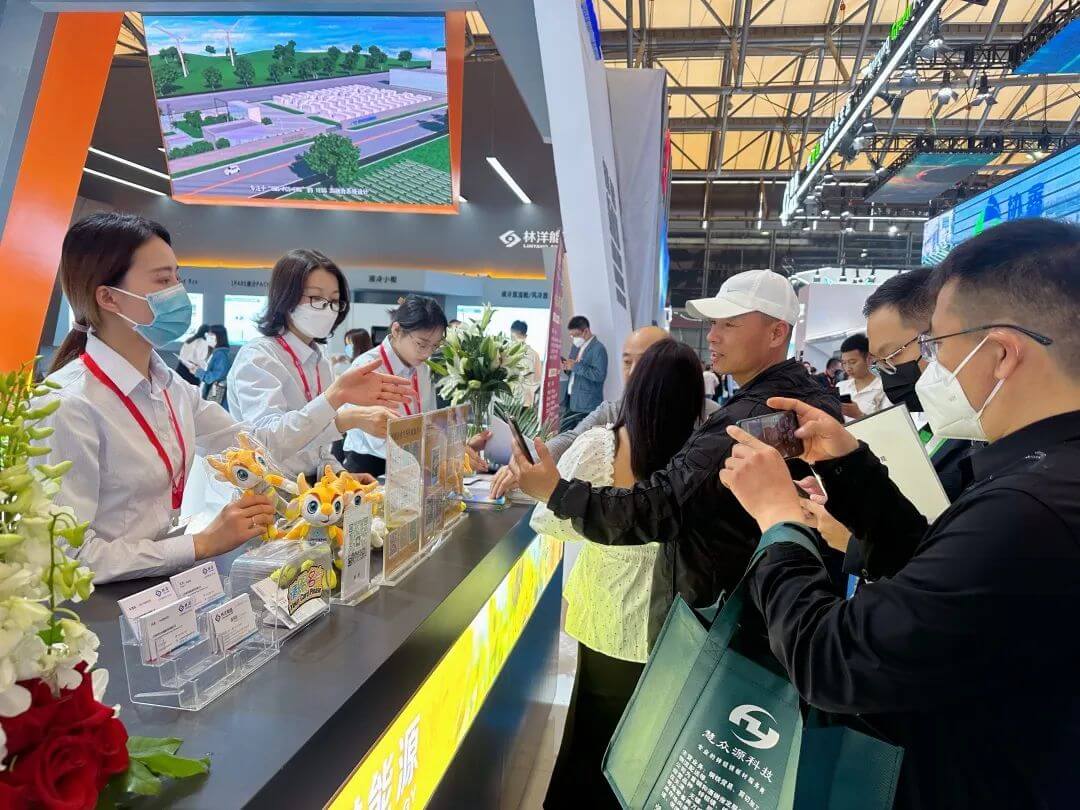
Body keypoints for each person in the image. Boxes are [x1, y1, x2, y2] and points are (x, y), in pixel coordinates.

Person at [717, 218, 1080, 808]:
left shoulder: (1027, 510)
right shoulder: (1038, 476)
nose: (928, 369)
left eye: (936, 347)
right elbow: (931, 573)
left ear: (1001, 353)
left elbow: (833, 661)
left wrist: (778, 522)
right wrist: (849, 466)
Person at [38, 212, 411, 583]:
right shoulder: (66, 403)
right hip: (96, 601)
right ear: (108, 297)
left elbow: (257, 445)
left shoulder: (172, 389)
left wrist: (335, 423)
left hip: (156, 583)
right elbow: (65, 556)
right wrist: (201, 544)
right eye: (163, 280)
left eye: (178, 278)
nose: (178, 293)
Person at [509, 270, 842, 607]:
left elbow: (659, 507)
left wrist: (557, 493)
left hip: (724, 606)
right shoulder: (805, 398)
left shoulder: (746, 420)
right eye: (713, 324)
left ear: (776, 333)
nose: (712, 336)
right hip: (762, 596)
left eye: (729, 324)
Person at [531, 340, 704, 808]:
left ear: (637, 386)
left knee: (593, 735)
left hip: (607, 615)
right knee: (647, 743)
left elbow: (549, 521)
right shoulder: (700, 453)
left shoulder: (602, 445)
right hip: (675, 623)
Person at [491, 326, 714, 497]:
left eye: (646, 362)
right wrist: (531, 462)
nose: (634, 372)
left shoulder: (710, 416)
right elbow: (571, 438)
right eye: (627, 362)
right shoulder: (614, 410)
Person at [228, 250, 395, 478]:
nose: (327, 309)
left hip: (310, 492)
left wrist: (339, 476)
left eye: (334, 301)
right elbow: (267, 442)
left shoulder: (319, 360)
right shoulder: (259, 357)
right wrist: (337, 403)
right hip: (267, 489)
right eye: (316, 298)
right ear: (286, 297)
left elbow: (318, 451)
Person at [863, 267, 980, 501]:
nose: (889, 374)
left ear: (938, 336)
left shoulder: (992, 436)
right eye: (880, 363)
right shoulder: (944, 425)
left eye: (893, 355)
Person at [342, 294, 445, 477]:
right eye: (421, 345)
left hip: (413, 463)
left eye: (435, 346)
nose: (427, 353)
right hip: (370, 466)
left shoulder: (422, 368)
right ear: (397, 330)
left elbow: (430, 418)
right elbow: (375, 437)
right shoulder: (367, 366)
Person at [562, 316, 608, 429]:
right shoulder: (576, 347)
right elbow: (574, 372)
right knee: (565, 433)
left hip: (587, 404)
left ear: (586, 331)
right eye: (571, 336)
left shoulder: (598, 349)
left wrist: (575, 366)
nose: (574, 339)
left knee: (582, 436)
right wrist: (566, 367)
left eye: (576, 335)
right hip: (571, 399)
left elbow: (599, 375)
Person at [836, 332, 886, 421]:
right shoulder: (841, 387)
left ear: (869, 359)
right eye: (844, 363)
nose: (848, 368)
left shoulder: (883, 388)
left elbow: (887, 424)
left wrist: (859, 415)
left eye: (852, 362)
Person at [197, 325, 232, 408]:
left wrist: (198, 372)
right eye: (207, 335)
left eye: (211, 335)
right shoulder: (217, 353)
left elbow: (214, 377)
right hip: (215, 392)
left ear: (219, 337)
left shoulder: (221, 355)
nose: (207, 338)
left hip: (216, 392)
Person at [510, 320, 542, 407]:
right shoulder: (534, 355)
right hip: (525, 400)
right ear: (526, 336)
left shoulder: (505, 352)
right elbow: (537, 380)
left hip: (509, 401)